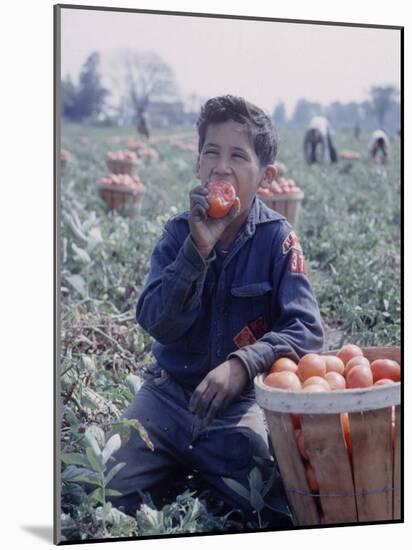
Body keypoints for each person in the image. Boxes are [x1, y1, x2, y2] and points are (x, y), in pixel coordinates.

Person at [106, 95, 324, 523]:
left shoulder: (278, 240)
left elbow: (307, 329)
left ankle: (198, 472)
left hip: (236, 407)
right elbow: (155, 322)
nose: (222, 167)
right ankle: (176, 467)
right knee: (104, 484)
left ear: (265, 177)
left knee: (270, 500)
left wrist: (244, 364)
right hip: (166, 395)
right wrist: (197, 249)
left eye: (238, 156)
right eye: (212, 152)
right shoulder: (177, 234)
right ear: (198, 163)